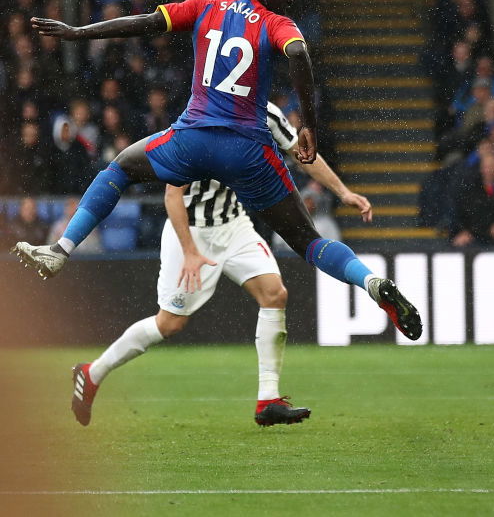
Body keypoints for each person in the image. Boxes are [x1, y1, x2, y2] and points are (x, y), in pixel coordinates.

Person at [16, 0, 423, 418]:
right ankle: (369, 281)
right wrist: (311, 122)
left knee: (120, 170)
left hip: (200, 152)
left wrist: (77, 33)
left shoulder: (203, 7)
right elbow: (298, 56)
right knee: (307, 243)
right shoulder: (274, 26)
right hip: (225, 183)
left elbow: (143, 22)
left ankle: (62, 248)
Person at [72, 102, 371, 427]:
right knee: (169, 324)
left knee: (274, 293)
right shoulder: (200, 117)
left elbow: (302, 154)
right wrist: (189, 252)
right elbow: (173, 196)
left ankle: (268, 399)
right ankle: (92, 372)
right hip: (191, 230)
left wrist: (343, 192)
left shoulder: (266, 114)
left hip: (233, 223)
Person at [450, 153, 494, 247]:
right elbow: (459, 214)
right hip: (475, 238)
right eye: (487, 167)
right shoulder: (469, 188)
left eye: (493, 166)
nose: (490, 170)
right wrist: (463, 231)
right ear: (481, 169)